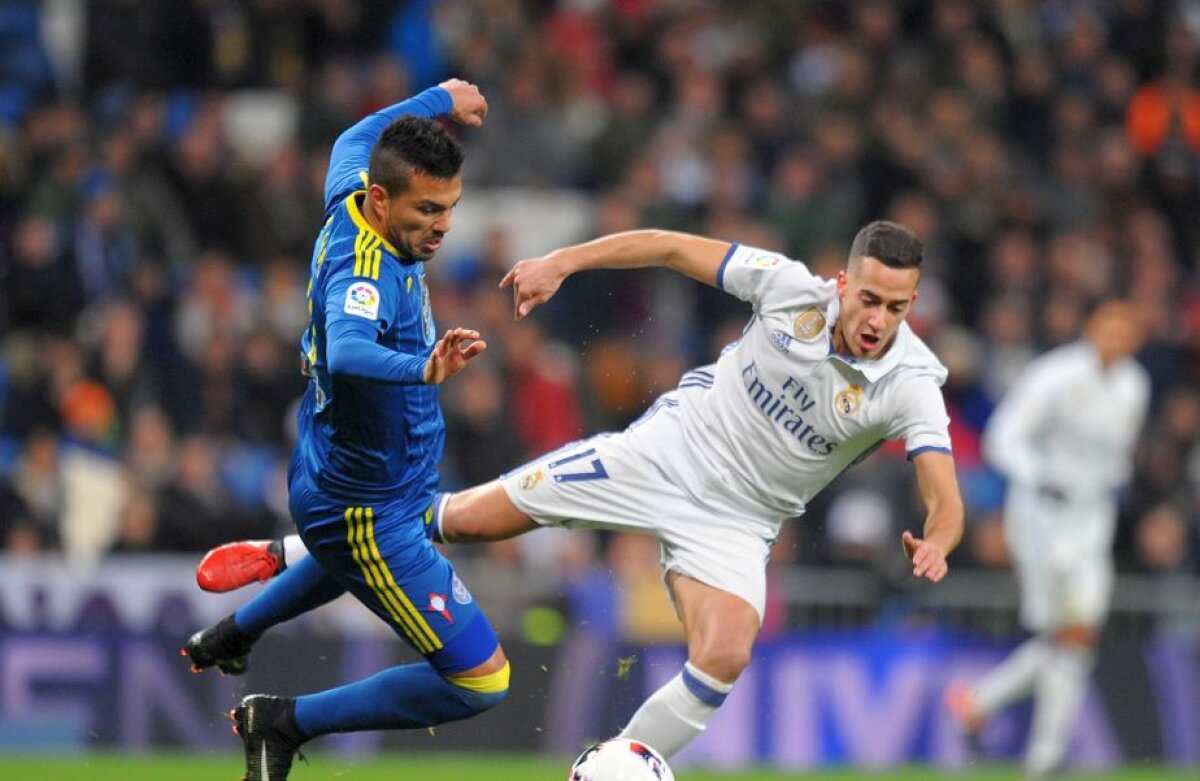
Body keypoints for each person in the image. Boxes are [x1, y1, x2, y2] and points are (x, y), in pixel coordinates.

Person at [196, 221, 965, 760]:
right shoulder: (789, 289)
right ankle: (289, 548)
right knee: (464, 521)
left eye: (898, 307)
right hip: (663, 454)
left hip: (739, 522)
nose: (879, 321)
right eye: (870, 299)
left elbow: (945, 494)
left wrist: (937, 540)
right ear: (844, 282)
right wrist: (563, 261)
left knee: (726, 651)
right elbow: (666, 245)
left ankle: (613, 765)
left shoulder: (911, 382)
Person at [181, 78, 512, 781]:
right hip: (370, 506)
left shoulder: (353, 192)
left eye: (450, 208)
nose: (443, 226)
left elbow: (352, 136)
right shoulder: (363, 272)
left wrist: (436, 98)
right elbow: (349, 349)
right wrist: (424, 370)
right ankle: (283, 719)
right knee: (483, 680)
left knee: (396, 539)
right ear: (384, 201)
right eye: (428, 210)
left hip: (344, 471)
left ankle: (237, 628)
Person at [945, 300, 1150, 779]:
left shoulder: (1133, 385)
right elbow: (1002, 437)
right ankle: (1044, 756)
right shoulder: (1054, 375)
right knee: (1069, 635)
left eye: (1127, 331)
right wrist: (1038, 475)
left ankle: (979, 703)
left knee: (1076, 636)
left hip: (1092, 517)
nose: (1117, 339)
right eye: (1110, 327)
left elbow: (1119, 454)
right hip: (1043, 515)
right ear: (1091, 327)